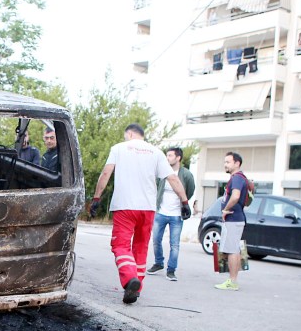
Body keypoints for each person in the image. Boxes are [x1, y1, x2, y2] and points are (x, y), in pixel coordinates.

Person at [89, 124, 190, 304]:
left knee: (120, 245)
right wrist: (184, 202)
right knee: (141, 247)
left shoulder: (119, 148)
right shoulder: (156, 152)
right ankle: (136, 289)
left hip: (124, 206)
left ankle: (129, 279)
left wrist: (96, 198)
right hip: (148, 209)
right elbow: (172, 178)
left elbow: (106, 173)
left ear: (129, 133)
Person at [147, 147, 196, 281]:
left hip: (176, 214)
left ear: (178, 158)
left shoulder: (186, 174)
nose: (167, 158)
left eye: (170, 155)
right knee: (156, 240)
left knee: (174, 244)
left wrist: (184, 204)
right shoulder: (162, 173)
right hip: (161, 212)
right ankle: (158, 263)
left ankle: (171, 270)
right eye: (166, 155)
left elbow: (190, 190)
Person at [215, 151, 249, 291]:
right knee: (232, 249)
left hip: (233, 218)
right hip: (235, 218)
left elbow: (235, 196)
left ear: (237, 163)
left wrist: (225, 210)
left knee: (232, 250)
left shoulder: (237, 178)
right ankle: (232, 280)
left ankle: (232, 281)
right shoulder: (240, 178)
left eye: (228, 162)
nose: (225, 164)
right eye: (225, 162)